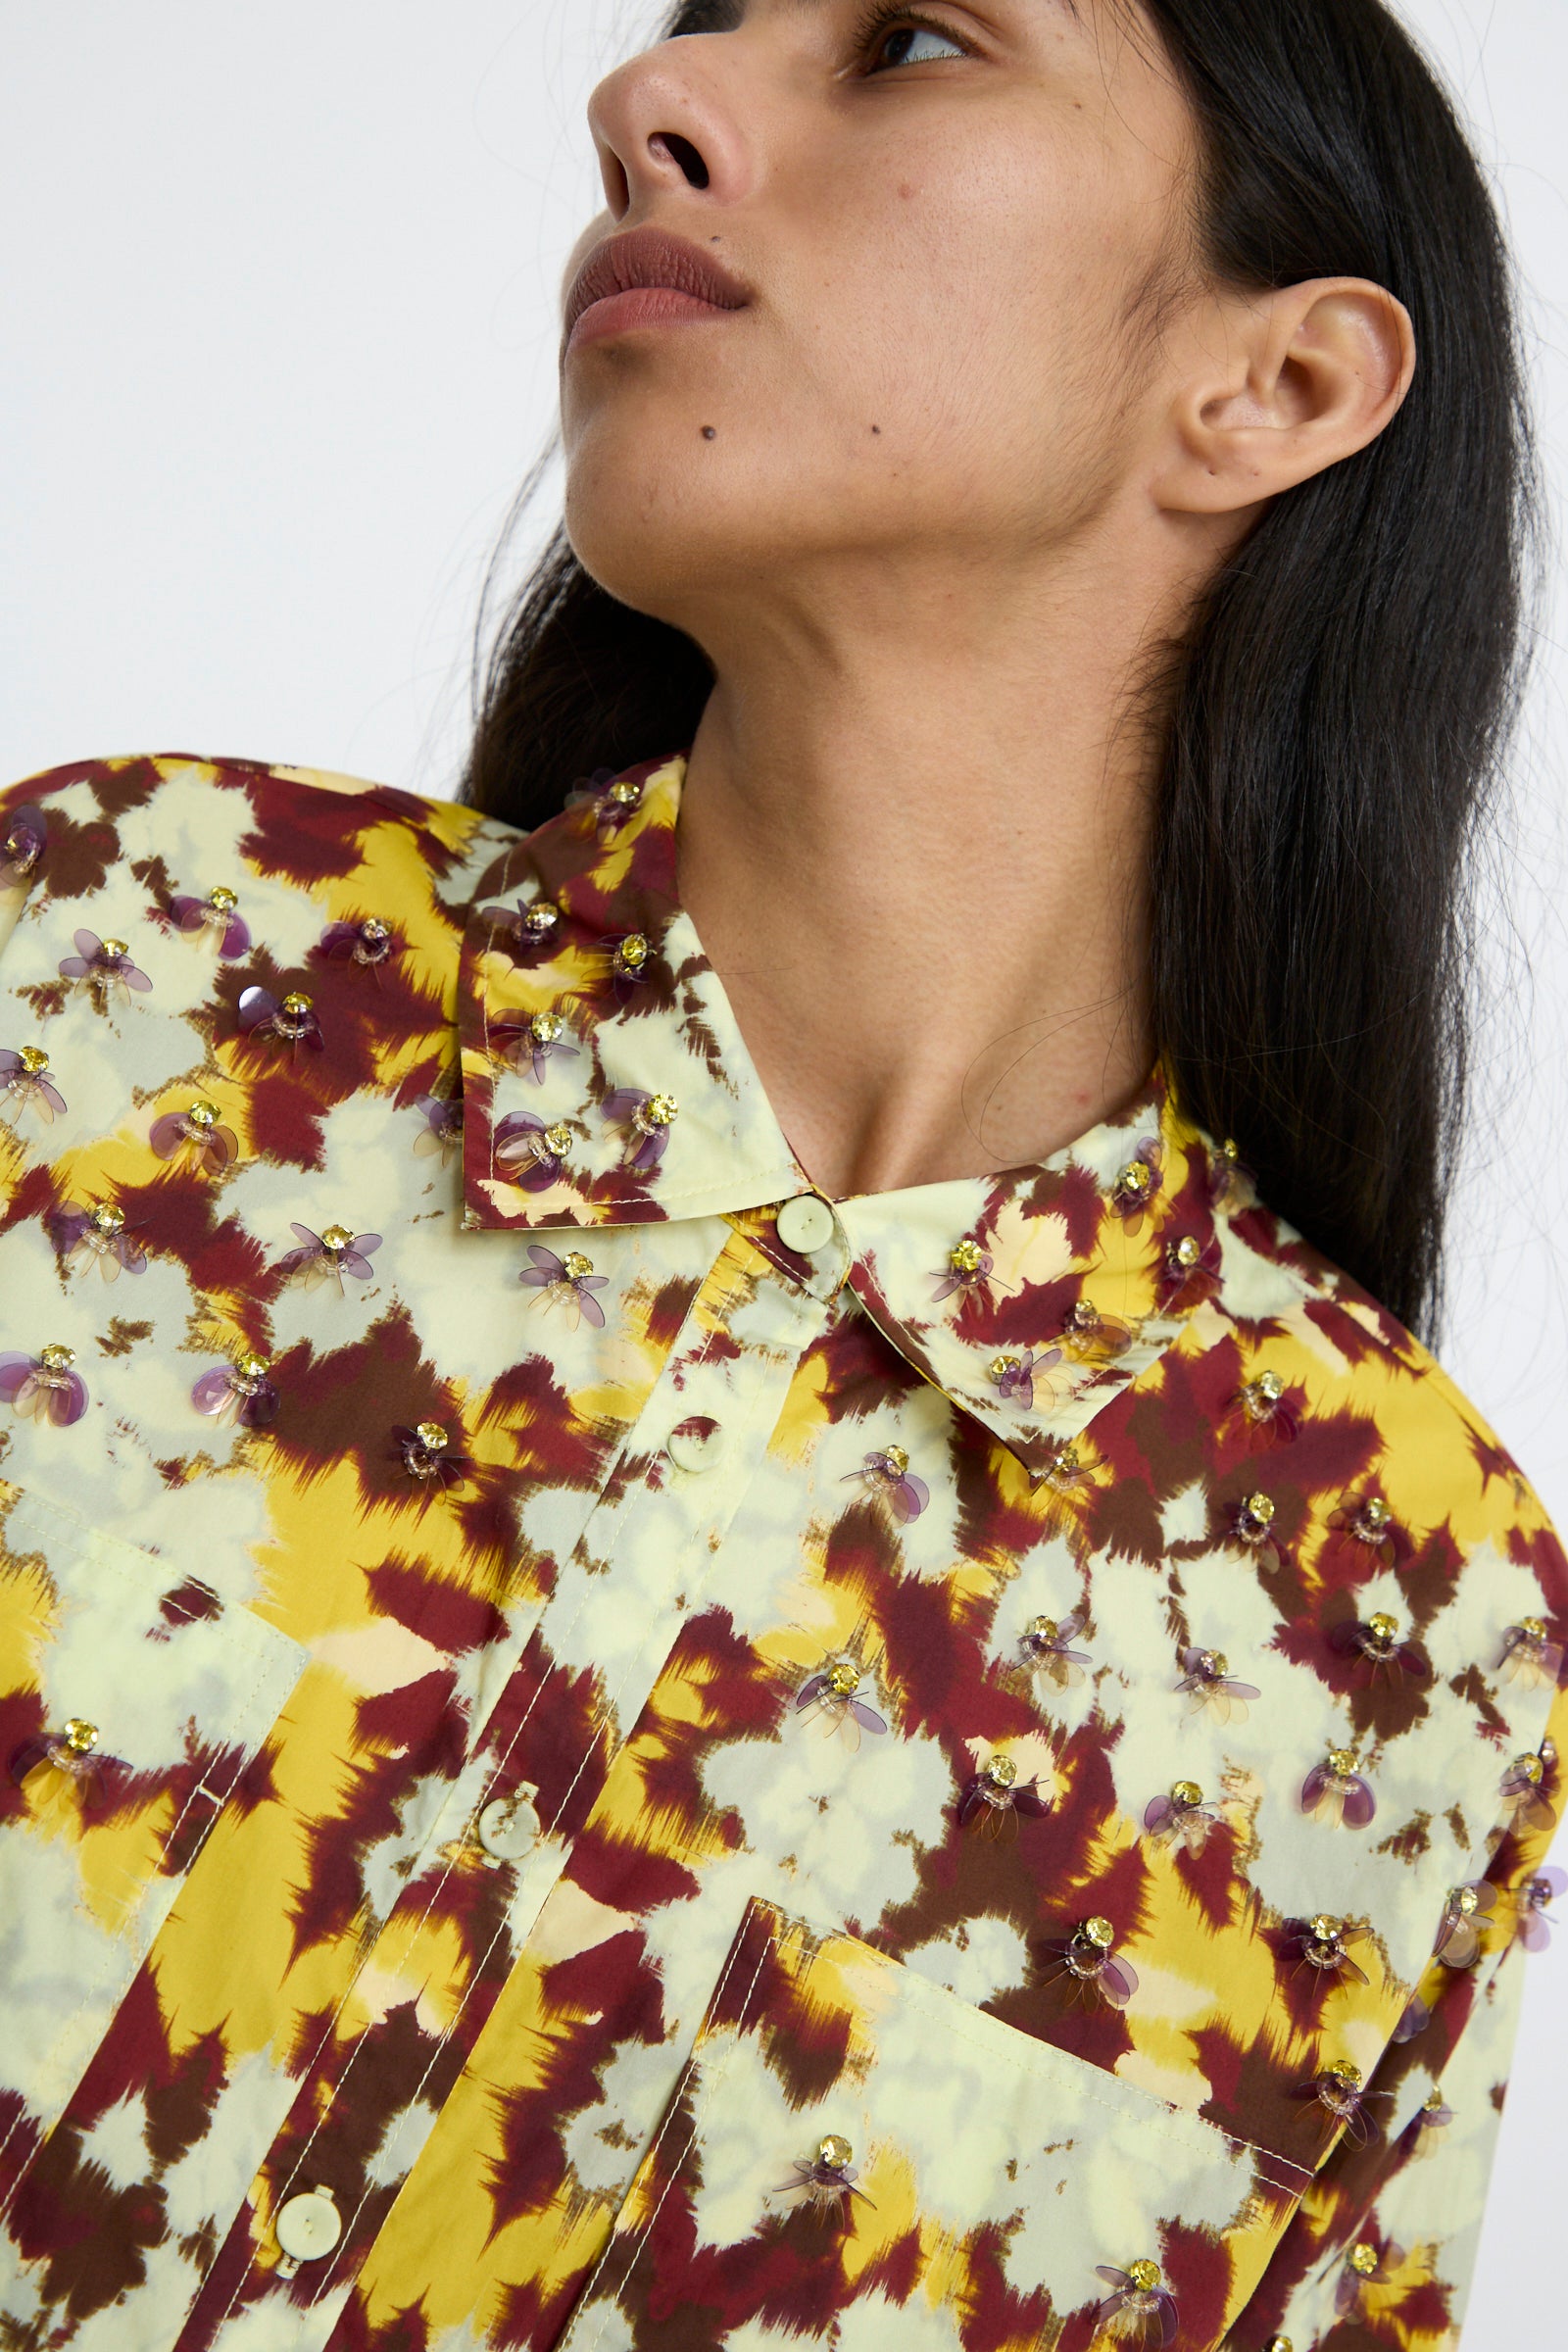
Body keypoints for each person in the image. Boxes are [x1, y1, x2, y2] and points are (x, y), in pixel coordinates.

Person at [0, 2, 1561, 2345]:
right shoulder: (119, 974)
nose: (644, 105)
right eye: (687, 33)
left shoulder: (1400, 1625)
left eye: (911, 41)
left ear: (1278, 387)